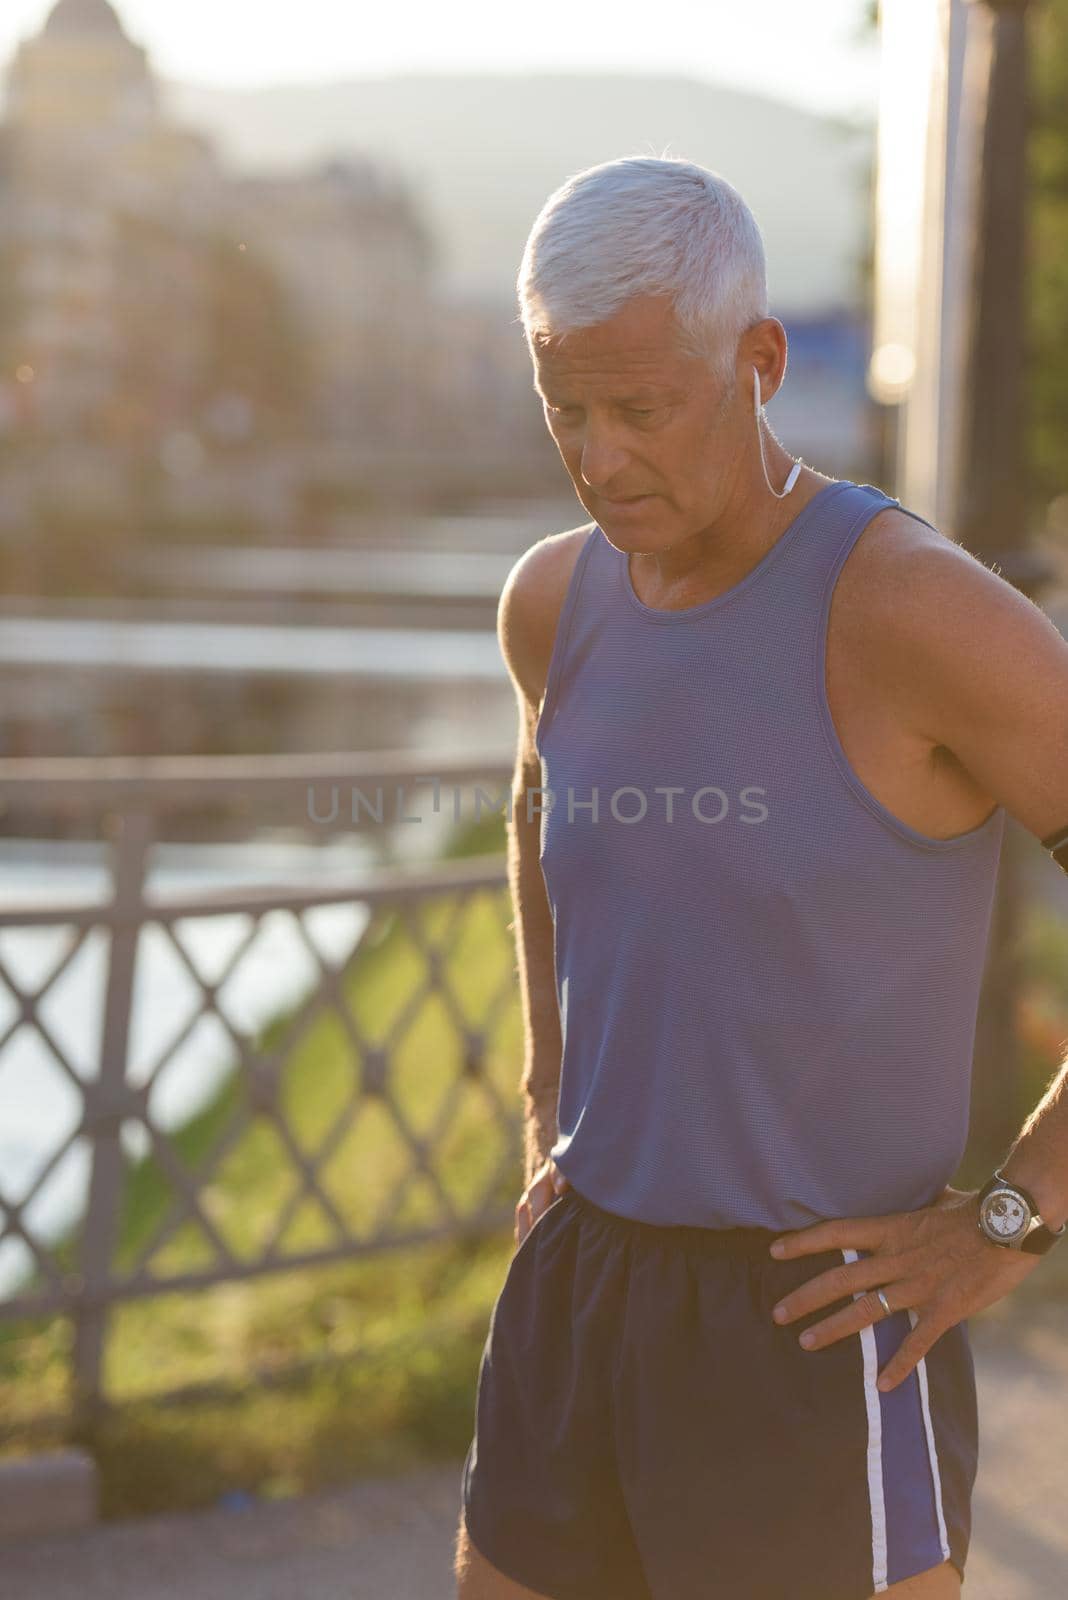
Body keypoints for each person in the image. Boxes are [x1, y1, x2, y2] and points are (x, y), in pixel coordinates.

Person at [454, 155, 1068, 1600]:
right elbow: (540, 828)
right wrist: (549, 1093)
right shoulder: (556, 600)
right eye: (567, 412)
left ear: (759, 362)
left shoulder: (916, 613)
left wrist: (1012, 1218)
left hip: (815, 1322)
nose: (601, 459)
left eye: (642, 410)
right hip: (579, 1285)